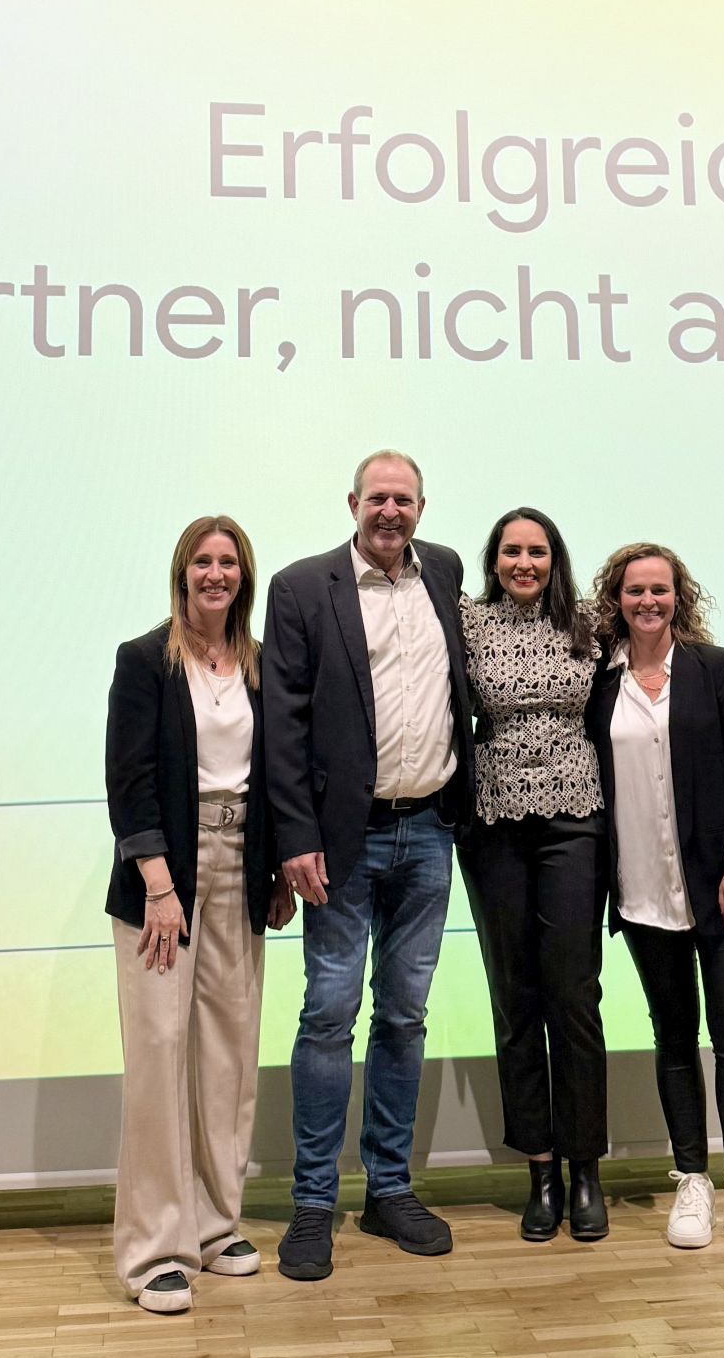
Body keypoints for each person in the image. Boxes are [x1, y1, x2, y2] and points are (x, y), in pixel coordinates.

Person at [263, 450, 475, 1282]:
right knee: (328, 1014)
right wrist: (292, 838)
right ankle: (313, 1203)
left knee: (405, 1017)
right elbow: (282, 723)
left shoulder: (447, 574)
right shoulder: (302, 586)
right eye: (377, 498)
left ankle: (389, 1189)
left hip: (430, 831)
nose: (390, 511)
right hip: (339, 843)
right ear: (352, 502)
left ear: (422, 506)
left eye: (405, 499)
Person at [103, 515, 295, 1314]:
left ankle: (216, 1227)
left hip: (240, 866)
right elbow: (130, 778)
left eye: (229, 563)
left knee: (228, 1055)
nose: (216, 574)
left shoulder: (257, 665)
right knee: (159, 1053)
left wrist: (279, 865)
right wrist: (158, 883)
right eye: (203, 562)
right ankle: (154, 1252)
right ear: (182, 572)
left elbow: (279, 771)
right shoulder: (146, 660)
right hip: (165, 881)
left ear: (242, 577)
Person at [583, 543, 724, 1255]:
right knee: (673, 1039)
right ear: (615, 599)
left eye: (660, 590)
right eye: (634, 591)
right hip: (642, 894)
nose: (648, 601)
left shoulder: (717, 669)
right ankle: (693, 1180)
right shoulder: (598, 684)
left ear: (679, 596)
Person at [456, 507, 610, 1241]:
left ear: (556, 558)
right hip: (492, 824)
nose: (525, 563)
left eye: (537, 551)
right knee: (515, 996)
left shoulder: (591, 621)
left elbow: (659, 647)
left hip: (576, 820)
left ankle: (586, 1171)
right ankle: (540, 1172)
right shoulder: (468, 622)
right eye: (512, 551)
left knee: (574, 995)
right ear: (493, 560)